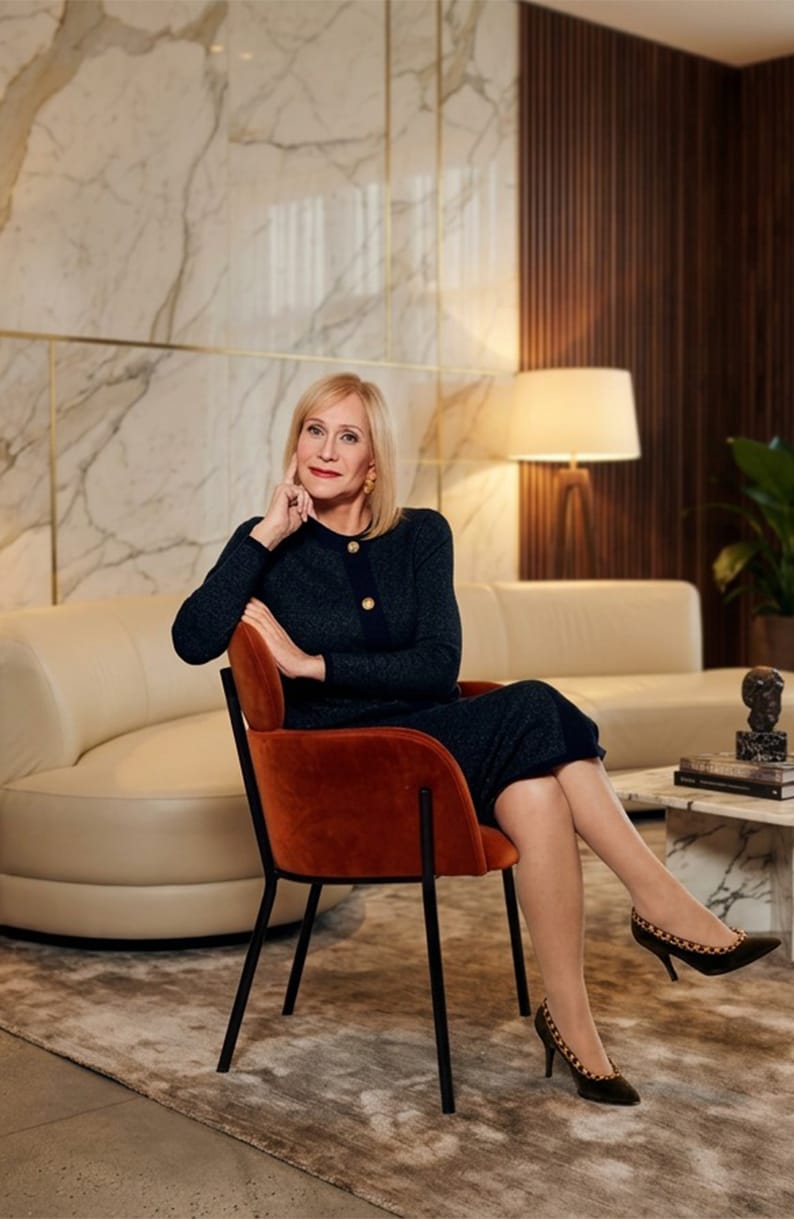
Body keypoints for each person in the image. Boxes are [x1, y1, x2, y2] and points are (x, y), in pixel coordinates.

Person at [172, 372, 780, 1106]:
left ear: (374, 462)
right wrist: (268, 539)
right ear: (295, 443)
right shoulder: (266, 549)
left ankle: (572, 1020)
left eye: (349, 435)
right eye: (314, 430)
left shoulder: (422, 534)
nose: (326, 449)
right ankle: (660, 901)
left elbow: (439, 666)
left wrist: (315, 661)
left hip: (433, 747)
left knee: (534, 786)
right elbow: (191, 637)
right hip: (343, 773)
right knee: (538, 706)